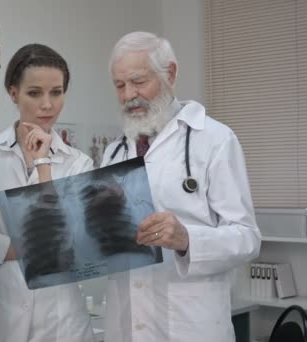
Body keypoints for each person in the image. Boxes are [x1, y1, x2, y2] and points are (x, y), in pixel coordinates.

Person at [100, 31, 261, 342]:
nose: (128, 94)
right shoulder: (114, 152)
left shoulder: (214, 140)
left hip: (191, 326)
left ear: (170, 74)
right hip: (126, 325)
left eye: (138, 81)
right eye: (119, 85)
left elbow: (247, 237)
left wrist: (188, 239)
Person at [0, 43, 95, 342]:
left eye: (57, 92)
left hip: (63, 323)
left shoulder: (79, 163)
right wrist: (33, 249)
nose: (47, 105)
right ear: (13, 93)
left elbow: (73, 245)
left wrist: (43, 163)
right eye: (34, 93)